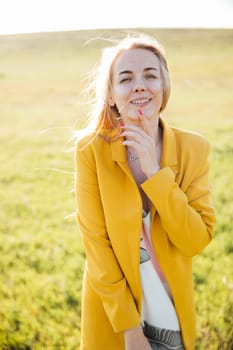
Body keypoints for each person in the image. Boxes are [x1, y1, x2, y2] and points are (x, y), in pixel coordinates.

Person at [74, 33, 216, 350]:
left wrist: (156, 173)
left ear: (163, 88)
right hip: (113, 308)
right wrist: (130, 330)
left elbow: (195, 240)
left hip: (170, 305)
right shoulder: (90, 151)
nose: (140, 85)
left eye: (150, 75)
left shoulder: (195, 149)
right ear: (111, 95)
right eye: (126, 78)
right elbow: (97, 247)